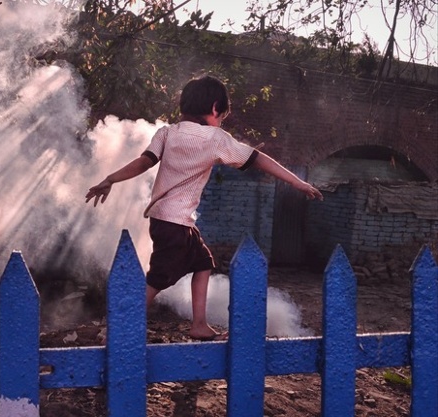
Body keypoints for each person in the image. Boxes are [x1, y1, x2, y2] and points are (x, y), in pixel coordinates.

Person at [85, 75, 323, 341]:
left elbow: (144, 162)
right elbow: (258, 159)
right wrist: (298, 182)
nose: (220, 121)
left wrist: (110, 179)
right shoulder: (216, 138)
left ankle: (199, 323)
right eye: (222, 116)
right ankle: (119, 325)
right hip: (174, 222)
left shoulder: (167, 133)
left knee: (202, 262)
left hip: (169, 220)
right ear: (213, 109)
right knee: (158, 278)